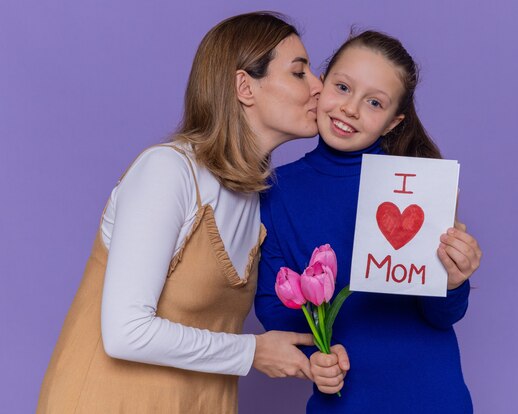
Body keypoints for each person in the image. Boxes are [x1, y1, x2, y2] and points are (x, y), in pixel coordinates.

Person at [37, 12, 323, 414]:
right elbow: (126, 332)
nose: (319, 86)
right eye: (299, 72)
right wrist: (252, 351)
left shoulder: (258, 198)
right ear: (245, 86)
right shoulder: (168, 172)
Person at [255, 30, 482, 413]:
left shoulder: (417, 184)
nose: (350, 109)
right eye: (342, 87)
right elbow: (273, 307)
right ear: (321, 85)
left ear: (393, 123)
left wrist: (454, 279)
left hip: (433, 396)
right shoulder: (277, 191)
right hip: (343, 399)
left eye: (374, 102)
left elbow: (443, 316)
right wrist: (314, 358)